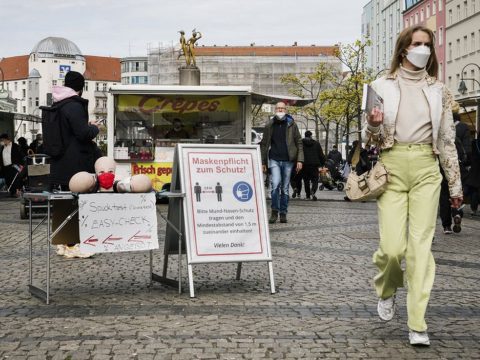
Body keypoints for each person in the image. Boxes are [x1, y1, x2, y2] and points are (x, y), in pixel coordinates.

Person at [363, 26, 463, 346]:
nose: (422, 49)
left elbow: (447, 141)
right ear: (403, 48)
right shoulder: (378, 86)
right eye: (416, 44)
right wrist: (374, 125)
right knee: (392, 249)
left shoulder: (440, 90)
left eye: (427, 45)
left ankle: (417, 322)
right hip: (391, 167)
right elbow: (369, 140)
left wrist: (455, 186)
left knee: (420, 248)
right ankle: (387, 288)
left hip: (426, 168)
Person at [49, 71, 100, 259]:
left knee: (63, 201)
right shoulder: (74, 105)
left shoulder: (59, 104)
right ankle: (73, 245)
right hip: (75, 162)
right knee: (76, 202)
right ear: (81, 87)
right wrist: (94, 128)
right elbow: (82, 134)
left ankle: (62, 243)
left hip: (60, 160)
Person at [260, 102, 303, 224]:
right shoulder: (269, 124)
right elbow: (264, 144)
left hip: (288, 160)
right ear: (275, 110)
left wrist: (300, 160)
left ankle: (283, 213)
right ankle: (274, 211)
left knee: (285, 188)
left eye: (282, 108)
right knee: (275, 186)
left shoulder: (292, 124)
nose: (280, 109)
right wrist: (263, 162)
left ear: (286, 110)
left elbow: (299, 142)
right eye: (278, 108)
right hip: (274, 159)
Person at [438, 111, 471, 234]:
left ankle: (446, 225)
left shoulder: (441, 127)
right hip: (458, 165)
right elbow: (467, 149)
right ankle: (457, 213)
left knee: (444, 194)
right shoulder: (463, 128)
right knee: (456, 191)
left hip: (442, 164)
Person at [301, 131, 326, 200]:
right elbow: (321, 154)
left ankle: (308, 196)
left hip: (304, 165)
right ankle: (313, 191)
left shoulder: (301, 143)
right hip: (314, 165)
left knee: (306, 181)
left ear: (305, 135)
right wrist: (323, 163)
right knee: (315, 180)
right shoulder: (316, 143)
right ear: (311, 136)